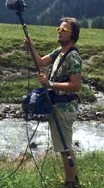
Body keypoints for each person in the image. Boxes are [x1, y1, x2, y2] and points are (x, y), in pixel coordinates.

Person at [24, 17, 82, 187]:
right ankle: (73, 180)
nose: (59, 32)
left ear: (73, 35)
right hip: (58, 106)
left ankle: (71, 183)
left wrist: (50, 84)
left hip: (65, 107)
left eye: (64, 30)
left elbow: (76, 85)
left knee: (65, 147)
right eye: (59, 29)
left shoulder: (73, 57)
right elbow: (40, 62)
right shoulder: (59, 52)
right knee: (63, 146)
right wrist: (30, 47)